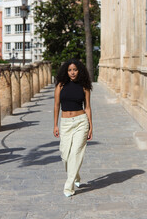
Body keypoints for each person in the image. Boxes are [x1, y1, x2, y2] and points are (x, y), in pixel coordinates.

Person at [53, 59, 93, 197]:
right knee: (65, 155)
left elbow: (87, 107)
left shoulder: (84, 86)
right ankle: (75, 175)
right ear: (66, 71)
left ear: (79, 70)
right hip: (65, 123)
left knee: (76, 152)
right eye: (70, 70)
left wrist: (91, 126)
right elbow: (56, 105)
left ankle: (68, 187)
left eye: (75, 69)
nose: (72, 72)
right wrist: (55, 125)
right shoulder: (60, 85)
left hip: (81, 122)